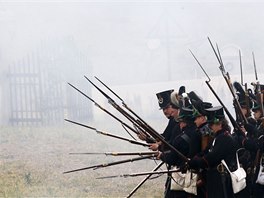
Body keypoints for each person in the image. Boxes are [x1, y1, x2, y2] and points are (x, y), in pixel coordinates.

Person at [188, 106, 239, 198]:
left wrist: (195, 162)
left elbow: (211, 158)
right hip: (215, 179)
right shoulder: (218, 137)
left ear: (220, 124)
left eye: (212, 124)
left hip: (222, 180)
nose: (210, 127)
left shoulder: (224, 138)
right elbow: (205, 152)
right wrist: (192, 160)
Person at [158, 106, 201, 198]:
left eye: (180, 122)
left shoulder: (180, 139)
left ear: (184, 123)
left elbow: (172, 158)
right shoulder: (198, 133)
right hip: (197, 176)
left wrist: (161, 155)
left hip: (183, 177)